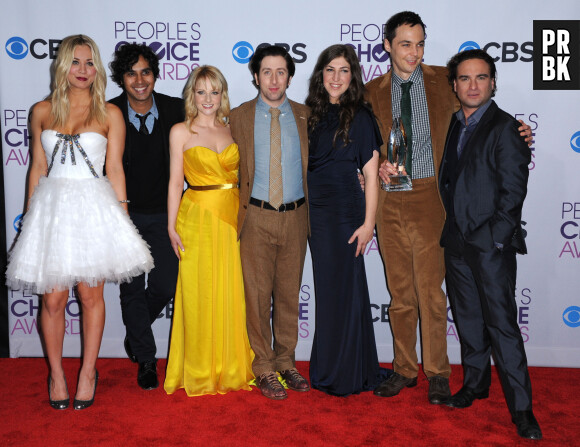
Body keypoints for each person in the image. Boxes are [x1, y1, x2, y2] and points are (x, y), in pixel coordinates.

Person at [366, 11, 532, 405]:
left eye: (421, 43)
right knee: (400, 293)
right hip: (389, 200)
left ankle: (438, 372)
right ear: (387, 44)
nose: (415, 52)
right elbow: (361, 142)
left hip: (432, 199)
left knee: (432, 294)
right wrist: (372, 165)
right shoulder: (370, 91)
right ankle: (404, 369)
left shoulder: (445, 80)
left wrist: (520, 129)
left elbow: (482, 116)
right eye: (406, 44)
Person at [5, 34, 153, 410]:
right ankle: (56, 373)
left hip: (93, 209)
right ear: (62, 66)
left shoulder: (110, 113)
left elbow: (115, 168)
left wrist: (121, 218)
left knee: (91, 296)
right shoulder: (41, 111)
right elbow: (38, 168)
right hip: (52, 211)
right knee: (53, 300)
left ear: (97, 67)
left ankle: (88, 371)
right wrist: (29, 218)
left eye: (89, 63)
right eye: (75, 62)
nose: (83, 70)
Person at [440, 49, 541, 440]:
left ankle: (523, 411)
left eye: (481, 77)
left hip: (490, 247)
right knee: (467, 322)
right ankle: (476, 385)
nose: (473, 85)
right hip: (456, 244)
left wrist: (494, 240)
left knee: (502, 327)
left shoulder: (506, 128)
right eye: (465, 79)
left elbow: (514, 195)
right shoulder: (453, 123)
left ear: (493, 82)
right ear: (455, 85)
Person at [164, 65, 254, 396]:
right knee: (198, 293)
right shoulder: (180, 131)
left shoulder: (235, 131)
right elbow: (175, 183)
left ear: (222, 95)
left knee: (231, 290)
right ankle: (199, 368)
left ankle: (231, 366)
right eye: (201, 92)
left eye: (214, 92)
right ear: (192, 94)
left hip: (232, 217)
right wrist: (171, 226)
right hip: (196, 218)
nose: (207, 99)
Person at [230, 45, 310, 400]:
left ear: (290, 76)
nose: (274, 79)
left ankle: (286, 361)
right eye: (267, 72)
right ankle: (263, 366)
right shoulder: (238, 117)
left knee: (289, 296)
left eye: (281, 72)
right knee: (258, 296)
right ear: (255, 76)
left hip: (296, 216)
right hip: (256, 216)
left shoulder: (309, 116)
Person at [305, 44, 384, 396]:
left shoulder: (361, 117)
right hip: (315, 214)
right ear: (321, 75)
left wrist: (369, 224)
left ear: (353, 77)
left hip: (345, 214)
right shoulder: (310, 115)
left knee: (344, 289)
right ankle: (342, 364)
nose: (336, 77)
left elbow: (371, 175)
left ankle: (345, 372)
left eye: (344, 71)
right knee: (329, 290)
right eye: (330, 70)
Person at [109, 43, 183, 391]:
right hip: (123, 215)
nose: (139, 80)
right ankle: (147, 359)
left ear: (155, 74)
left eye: (145, 72)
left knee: (167, 284)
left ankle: (136, 333)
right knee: (131, 292)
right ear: (121, 78)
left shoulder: (176, 109)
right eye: (131, 73)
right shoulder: (108, 112)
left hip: (167, 216)